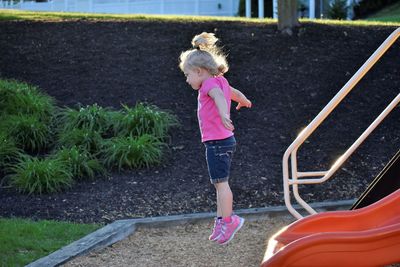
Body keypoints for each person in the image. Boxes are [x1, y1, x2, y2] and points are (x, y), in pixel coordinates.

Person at [179, 32, 252, 245]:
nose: (187, 79)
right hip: (223, 142)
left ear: (199, 72)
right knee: (219, 184)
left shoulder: (209, 86)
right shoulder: (220, 81)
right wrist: (244, 100)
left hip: (218, 143)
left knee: (221, 185)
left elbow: (221, 98)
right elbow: (232, 92)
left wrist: (224, 114)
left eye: (187, 74)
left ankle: (229, 221)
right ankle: (221, 221)